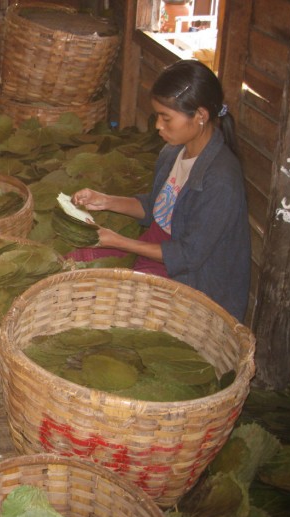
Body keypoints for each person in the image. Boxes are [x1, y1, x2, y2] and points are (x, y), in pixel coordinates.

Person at [70, 59, 250, 321]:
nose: (158, 126)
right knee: (77, 261)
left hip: (192, 279)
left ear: (200, 116)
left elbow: (187, 256)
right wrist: (105, 201)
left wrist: (117, 240)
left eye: (167, 118)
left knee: (108, 305)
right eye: (157, 117)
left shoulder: (221, 180)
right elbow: (155, 206)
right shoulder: (173, 152)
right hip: (157, 248)